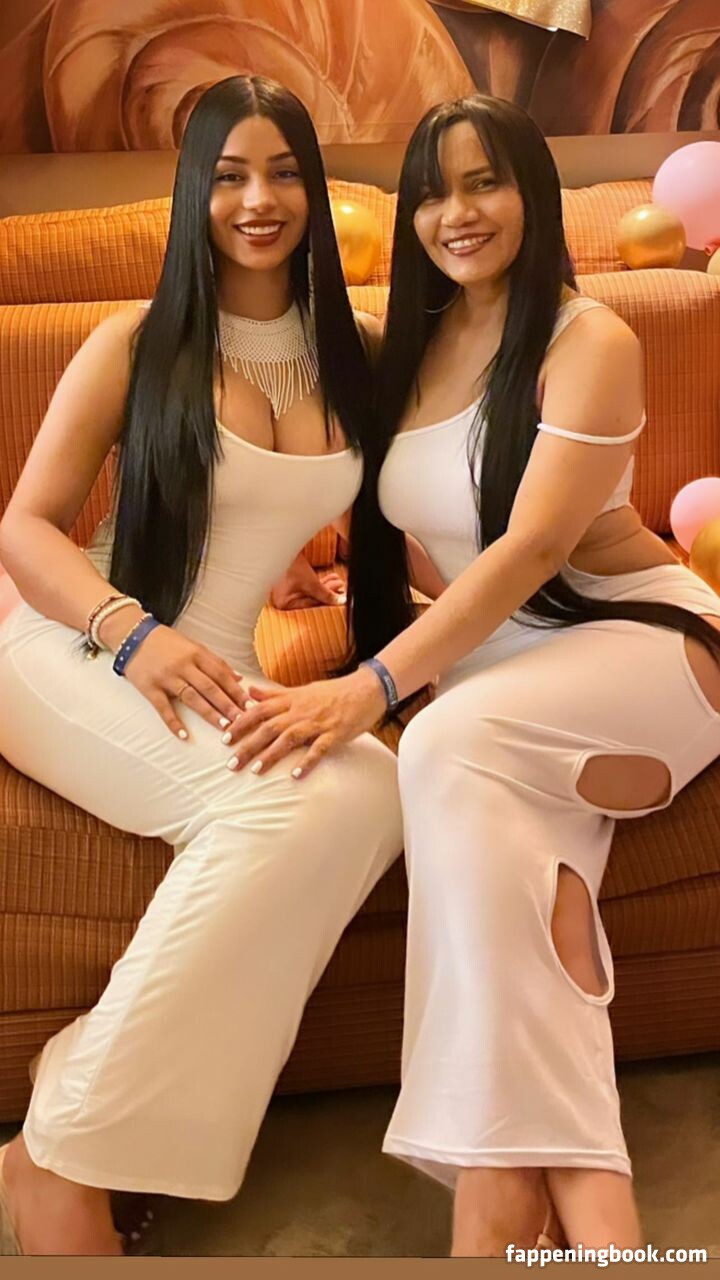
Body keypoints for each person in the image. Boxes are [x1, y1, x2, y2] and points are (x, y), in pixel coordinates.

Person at [222, 95, 720, 1256]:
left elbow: (534, 546)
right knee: (537, 903)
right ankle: (594, 1223)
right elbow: (409, 506)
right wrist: (305, 554)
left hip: (646, 646)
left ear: (532, 191)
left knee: (443, 741)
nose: (458, 211)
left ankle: (490, 1213)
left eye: (485, 181)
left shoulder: (588, 338)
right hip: (505, 678)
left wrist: (373, 685)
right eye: (432, 191)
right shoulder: (407, 345)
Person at [0, 74, 403, 1255]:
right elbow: (25, 527)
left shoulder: (362, 355)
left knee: (376, 786)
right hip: (71, 640)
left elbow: (394, 518)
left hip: (220, 667)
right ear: (194, 193)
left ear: (315, 189)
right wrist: (132, 631)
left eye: (282, 171)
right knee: (276, 809)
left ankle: (67, 1121)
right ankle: (64, 1161)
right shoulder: (135, 343)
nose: (257, 199)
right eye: (228, 176)